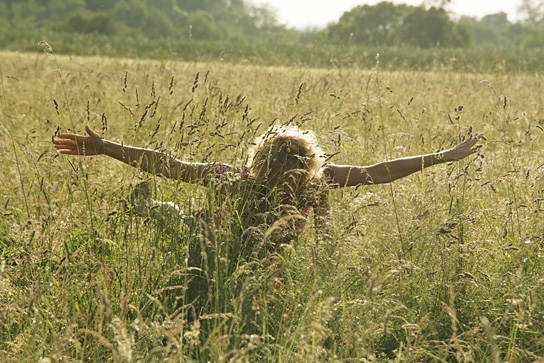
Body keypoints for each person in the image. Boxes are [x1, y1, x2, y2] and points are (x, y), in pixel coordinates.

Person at [53, 124, 483, 252]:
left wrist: (445, 156)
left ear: (309, 166)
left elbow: (381, 171)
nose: (288, 178)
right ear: (261, 165)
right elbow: (169, 165)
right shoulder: (236, 179)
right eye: (279, 168)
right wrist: (107, 148)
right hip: (213, 243)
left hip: (265, 257)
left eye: (296, 168)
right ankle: (147, 207)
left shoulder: (320, 182)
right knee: (177, 220)